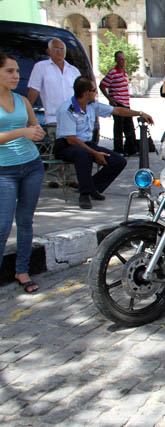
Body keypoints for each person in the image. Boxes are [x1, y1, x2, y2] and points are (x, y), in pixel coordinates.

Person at [55, 76, 154, 209]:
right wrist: (95, 153)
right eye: (94, 90)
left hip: (85, 144)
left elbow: (117, 110)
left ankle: (93, 187)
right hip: (66, 145)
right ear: (86, 93)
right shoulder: (67, 109)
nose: (96, 93)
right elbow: (71, 139)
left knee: (118, 161)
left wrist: (140, 113)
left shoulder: (92, 106)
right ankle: (84, 194)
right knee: (84, 154)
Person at [0, 53, 46, 293]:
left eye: (17, 70)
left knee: (25, 221)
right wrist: (22, 132)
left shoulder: (22, 100)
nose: (16, 75)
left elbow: (33, 127)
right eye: (10, 71)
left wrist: (37, 132)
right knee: (3, 225)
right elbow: (19, 131)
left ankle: (22, 270)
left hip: (31, 165)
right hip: (4, 170)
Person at [27, 37, 81, 144]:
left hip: (74, 120)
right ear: (49, 51)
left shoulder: (73, 70)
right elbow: (34, 91)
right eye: (56, 48)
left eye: (62, 49)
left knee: (76, 152)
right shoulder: (41, 67)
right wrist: (27, 116)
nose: (59, 52)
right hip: (53, 121)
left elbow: (80, 95)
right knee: (56, 152)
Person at [99, 51, 138, 156]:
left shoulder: (124, 72)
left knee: (129, 126)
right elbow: (102, 85)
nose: (123, 61)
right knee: (118, 127)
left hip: (126, 103)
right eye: (120, 59)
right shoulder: (112, 72)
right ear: (116, 60)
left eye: (124, 59)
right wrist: (110, 99)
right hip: (117, 103)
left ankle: (130, 148)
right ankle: (119, 149)